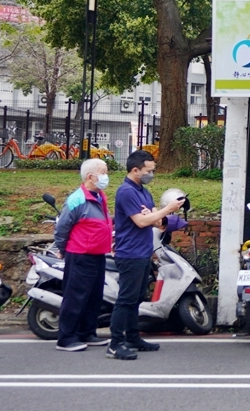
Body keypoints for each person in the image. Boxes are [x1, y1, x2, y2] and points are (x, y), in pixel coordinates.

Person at [108, 149, 183, 360]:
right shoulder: (126, 192)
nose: (152, 174)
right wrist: (165, 210)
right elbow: (141, 221)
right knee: (126, 299)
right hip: (129, 252)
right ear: (135, 170)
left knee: (137, 298)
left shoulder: (144, 191)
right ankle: (115, 343)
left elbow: (156, 222)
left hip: (143, 252)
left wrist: (155, 215)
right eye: (149, 171)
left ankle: (132, 337)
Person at [52, 158, 113, 352]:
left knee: (94, 296)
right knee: (75, 296)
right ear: (90, 176)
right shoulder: (76, 200)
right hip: (80, 254)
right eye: (103, 172)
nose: (106, 176)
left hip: (97, 253)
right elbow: (62, 228)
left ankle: (87, 332)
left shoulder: (100, 196)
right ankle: (67, 337)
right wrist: (61, 249)